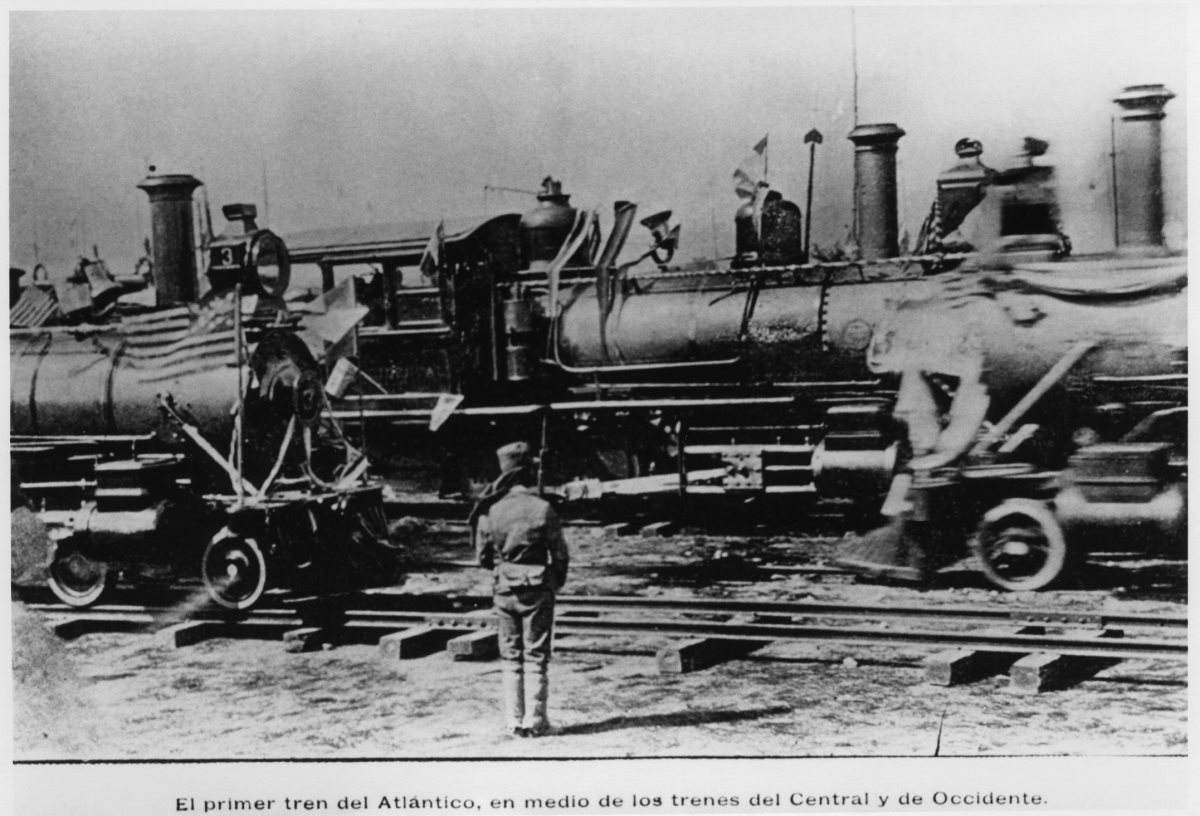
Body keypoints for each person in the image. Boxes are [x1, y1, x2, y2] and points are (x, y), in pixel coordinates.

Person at [471, 442, 569, 738]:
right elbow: (560, 555)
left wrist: (505, 570)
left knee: (511, 657)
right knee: (537, 656)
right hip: (538, 589)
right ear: (528, 473)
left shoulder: (490, 510)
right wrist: (554, 581)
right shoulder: (543, 508)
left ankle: (514, 722)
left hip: (504, 589)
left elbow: (482, 558)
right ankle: (536, 721)